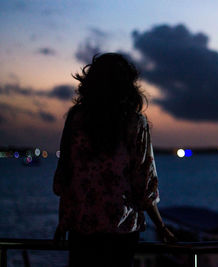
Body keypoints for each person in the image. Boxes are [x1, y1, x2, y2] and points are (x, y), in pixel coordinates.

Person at [53, 53, 175, 267]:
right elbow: (144, 181)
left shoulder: (76, 118)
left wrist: (63, 223)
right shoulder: (135, 123)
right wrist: (161, 227)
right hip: (121, 229)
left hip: (81, 227)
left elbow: (65, 175)